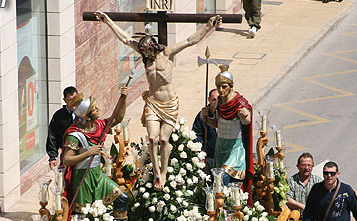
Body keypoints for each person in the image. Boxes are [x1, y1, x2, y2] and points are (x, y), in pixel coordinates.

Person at [96, 11, 222, 190]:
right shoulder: (144, 56)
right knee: (152, 138)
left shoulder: (167, 52)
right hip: (153, 103)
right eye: (144, 52)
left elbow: (189, 41)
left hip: (169, 103)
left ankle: (164, 171)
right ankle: (157, 174)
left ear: (153, 47)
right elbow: (125, 38)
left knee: (164, 140)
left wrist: (207, 26)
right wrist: (108, 21)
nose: (146, 55)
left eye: (148, 51)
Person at [62, 88, 129, 221]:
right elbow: (67, 160)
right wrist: (88, 153)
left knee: (122, 198)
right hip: (83, 178)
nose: (97, 109)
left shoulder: (98, 126)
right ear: (86, 116)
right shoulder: (74, 135)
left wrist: (123, 99)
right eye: (94, 109)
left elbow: (117, 118)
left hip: (97, 175)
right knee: (85, 215)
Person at [210, 65, 254, 204]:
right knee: (218, 183)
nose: (221, 90)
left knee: (222, 177)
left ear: (231, 86)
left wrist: (245, 116)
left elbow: (247, 120)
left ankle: (225, 210)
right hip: (221, 147)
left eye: (224, 86)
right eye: (218, 87)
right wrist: (206, 119)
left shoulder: (240, 102)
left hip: (236, 149)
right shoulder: (220, 103)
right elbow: (219, 124)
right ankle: (221, 211)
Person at [47, 86, 78, 170]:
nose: (73, 103)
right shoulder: (59, 116)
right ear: (65, 100)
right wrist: (52, 157)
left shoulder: (83, 113)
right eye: (70, 100)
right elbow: (52, 136)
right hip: (66, 154)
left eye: (75, 99)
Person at [193, 89, 219, 171]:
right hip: (209, 158)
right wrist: (199, 154)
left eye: (219, 99)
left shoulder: (226, 114)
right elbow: (196, 135)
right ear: (209, 100)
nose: (216, 102)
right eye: (214, 99)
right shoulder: (202, 115)